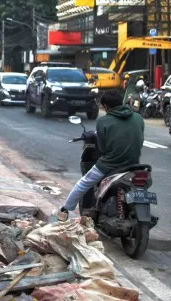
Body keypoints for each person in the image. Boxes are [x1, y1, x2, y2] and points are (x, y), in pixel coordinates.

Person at [57, 89, 144, 221]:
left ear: (106, 106)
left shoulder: (103, 121)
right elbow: (140, 139)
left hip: (110, 165)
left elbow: (103, 149)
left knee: (84, 183)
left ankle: (65, 210)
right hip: (134, 163)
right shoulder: (138, 118)